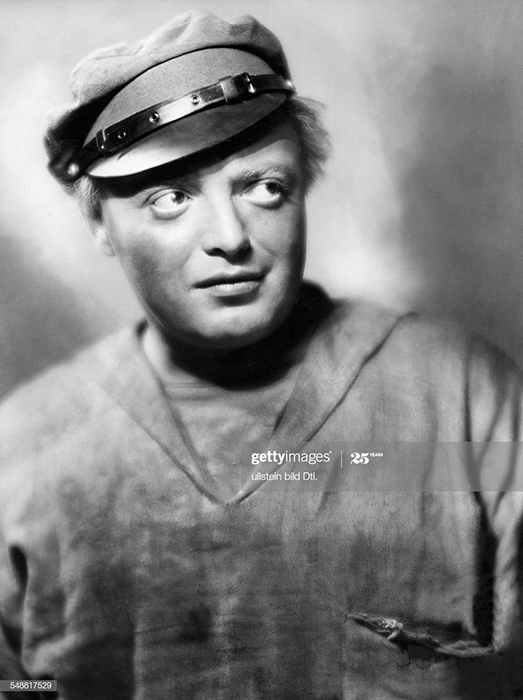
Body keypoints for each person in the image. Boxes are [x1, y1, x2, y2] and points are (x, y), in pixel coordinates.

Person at [0, 9, 523, 699]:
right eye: (170, 198)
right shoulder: (24, 454)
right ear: (100, 221)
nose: (230, 236)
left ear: (303, 187)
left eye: (263, 187)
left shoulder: (462, 395)